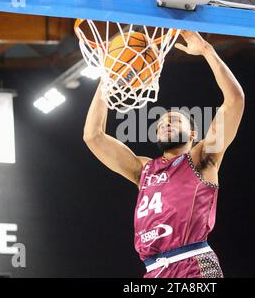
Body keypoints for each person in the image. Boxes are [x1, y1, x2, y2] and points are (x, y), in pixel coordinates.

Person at [83, 31, 245, 278]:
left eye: (174, 120)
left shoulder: (202, 159)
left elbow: (234, 100)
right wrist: (108, 75)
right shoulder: (143, 171)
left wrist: (206, 51)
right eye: (160, 123)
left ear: (193, 134)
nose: (165, 123)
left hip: (193, 265)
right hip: (153, 270)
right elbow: (93, 136)